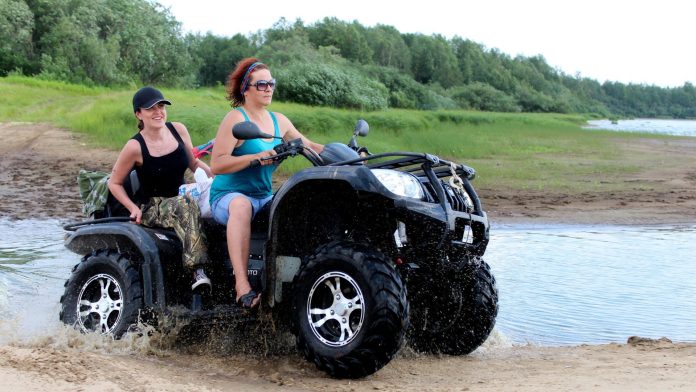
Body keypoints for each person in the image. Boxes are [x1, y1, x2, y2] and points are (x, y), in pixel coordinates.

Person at [210, 58, 324, 309]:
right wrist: (254, 157)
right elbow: (217, 164)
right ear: (245, 89)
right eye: (262, 84)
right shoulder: (235, 119)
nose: (268, 88)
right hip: (228, 196)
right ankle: (242, 286)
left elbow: (311, 146)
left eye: (271, 83)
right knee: (241, 206)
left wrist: (348, 153)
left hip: (262, 195)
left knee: (299, 203)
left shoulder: (279, 121)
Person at [108, 86, 214, 292]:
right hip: (153, 205)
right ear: (139, 114)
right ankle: (197, 270)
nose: (159, 112)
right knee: (185, 205)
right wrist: (133, 208)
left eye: (161, 106)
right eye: (151, 109)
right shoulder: (135, 146)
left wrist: (216, 178)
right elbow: (114, 183)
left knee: (217, 202)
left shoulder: (178, 130)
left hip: (183, 195)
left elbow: (193, 164)